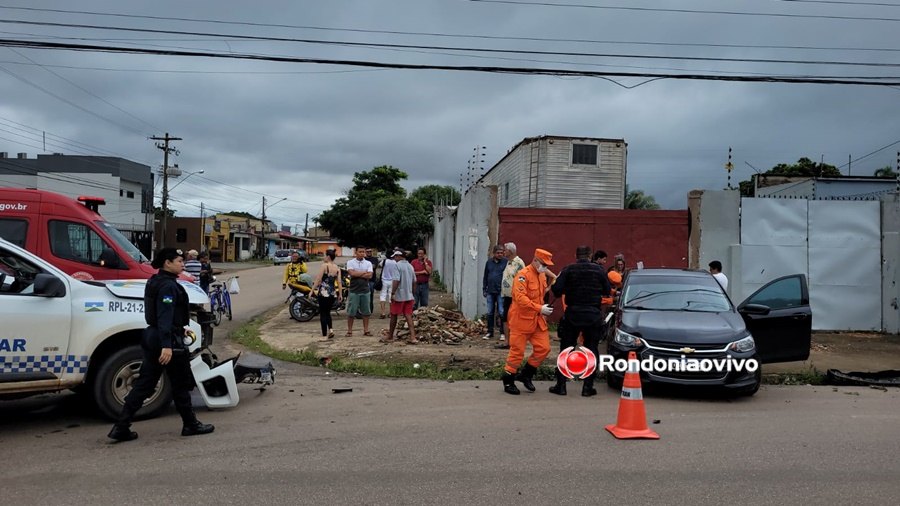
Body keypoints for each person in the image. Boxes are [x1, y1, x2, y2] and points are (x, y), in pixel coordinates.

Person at [107, 247, 214, 442]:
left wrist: (177, 329)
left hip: (155, 336)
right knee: (180, 384)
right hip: (167, 341)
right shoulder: (167, 286)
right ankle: (190, 424)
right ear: (167, 263)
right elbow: (164, 315)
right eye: (179, 261)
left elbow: (161, 314)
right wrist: (167, 345)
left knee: (144, 385)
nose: (183, 264)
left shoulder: (155, 281)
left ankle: (121, 426)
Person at [550, 246, 609, 397]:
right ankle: (587, 387)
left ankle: (561, 385)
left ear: (575, 255)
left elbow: (556, 290)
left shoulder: (568, 269)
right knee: (591, 350)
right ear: (590, 256)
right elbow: (607, 290)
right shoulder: (599, 270)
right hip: (592, 314)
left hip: (573, 314)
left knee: (566, 349)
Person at [502, 248, 557, 395]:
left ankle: (526, 374)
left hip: (537, 320)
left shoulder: (541, 276)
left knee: (544, 348)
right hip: (521, 320)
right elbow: (520, 299)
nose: (546, 268)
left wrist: (542, 309)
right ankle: (508, 380)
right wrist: (540, 308)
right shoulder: (523, 275)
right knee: (517, 352)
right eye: (544, 264)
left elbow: (542, 293)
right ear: (535, 261)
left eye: (547, 266)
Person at [384, 250, 418, 344]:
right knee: (408, 315)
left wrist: (393, 293)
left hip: (399, 295)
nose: (394, 259)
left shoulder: (397, 266)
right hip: (409, 295)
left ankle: (390, 336)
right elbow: (414, 281)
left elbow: (396, 280)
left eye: (395, 257)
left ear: (399, 256)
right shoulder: (410, 266)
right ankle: (413, 337)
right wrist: (412, 293)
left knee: (394, 314)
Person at [498, 242, 526, 348]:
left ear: (510, 251)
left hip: (515, 296)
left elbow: (522, 279)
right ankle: (507, 341)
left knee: (514, 318)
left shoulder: (519, 263)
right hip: (506, 295)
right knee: (505, 317)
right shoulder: (508, 262)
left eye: (505, 250)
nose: (504, 252)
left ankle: (515, 341)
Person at [312, 249, 343, 339]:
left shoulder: (324, 266)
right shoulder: (337, 268)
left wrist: (312, 291)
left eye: (325, 256)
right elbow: (339, 282)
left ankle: (324, 334)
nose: (324, 257)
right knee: (328, 312)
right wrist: (340, 294)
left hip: (323, 292)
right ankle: (331, 330)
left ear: (328, 257)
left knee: (323, 313)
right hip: (332, 293)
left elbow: (318, 279)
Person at [346, 246, 373, 336]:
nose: (362, 253)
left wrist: (357, 273)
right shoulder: (350, 262)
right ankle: (350, 330)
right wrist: (364, 272)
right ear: (356, 252)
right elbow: (351, 273)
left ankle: (366, 330)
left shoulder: (368, 263)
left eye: (363, 252)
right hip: (354, 290)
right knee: (351, 311)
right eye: (360, 252)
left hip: (365, 290)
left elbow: (370, 276)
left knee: (366, 312)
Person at [482, 244, 507, 340]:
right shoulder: (489, 262)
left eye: (502, 253)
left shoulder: (505, 262)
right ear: (494, 253)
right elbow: (485, 276)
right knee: (489, 312)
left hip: (501, 291)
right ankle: (490, 332)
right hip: (490, 291)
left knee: (501, 312)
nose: (500, 254)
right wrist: (484, 288)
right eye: (498, 253)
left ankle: (502, 333)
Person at [378, 251, 398, 319]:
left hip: (384, 280)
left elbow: (380, 266)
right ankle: (391, 312)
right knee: (391, 296)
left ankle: (383, 312)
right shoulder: (395, 262)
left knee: (383, 296)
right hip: (392, 280)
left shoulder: (384, 261)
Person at [365, 247, 379, 313]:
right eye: (367, 251)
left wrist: (365, 267)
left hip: (371, 280)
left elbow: (374, 266)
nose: (369, 253)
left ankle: (370, 309)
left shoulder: (375, 259)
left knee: (370, 295)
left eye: (370, 251)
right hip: (364, 279)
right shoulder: (363, 259)